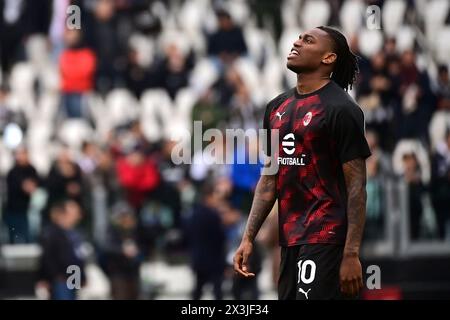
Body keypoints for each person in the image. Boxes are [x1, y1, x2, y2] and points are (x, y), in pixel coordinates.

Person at [233, 26, 371, 300]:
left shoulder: (342, 110)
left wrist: (351, 253)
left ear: (328, 58)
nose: (297, 42)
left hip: (326, 236)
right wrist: (248, 237)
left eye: (308, 40)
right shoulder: (276, 107)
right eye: (298, 38)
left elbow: (357, 187)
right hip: (290, 238)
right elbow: (269, 178)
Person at [37, 200, 86, 300]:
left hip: (73, 280)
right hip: (61, 281)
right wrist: (48, 278)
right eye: (74, 214)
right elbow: (46, 258)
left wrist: (82, 277)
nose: (77, 217)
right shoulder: (51, 233)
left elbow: (78, 257)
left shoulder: (74, 234)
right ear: (62, 214)